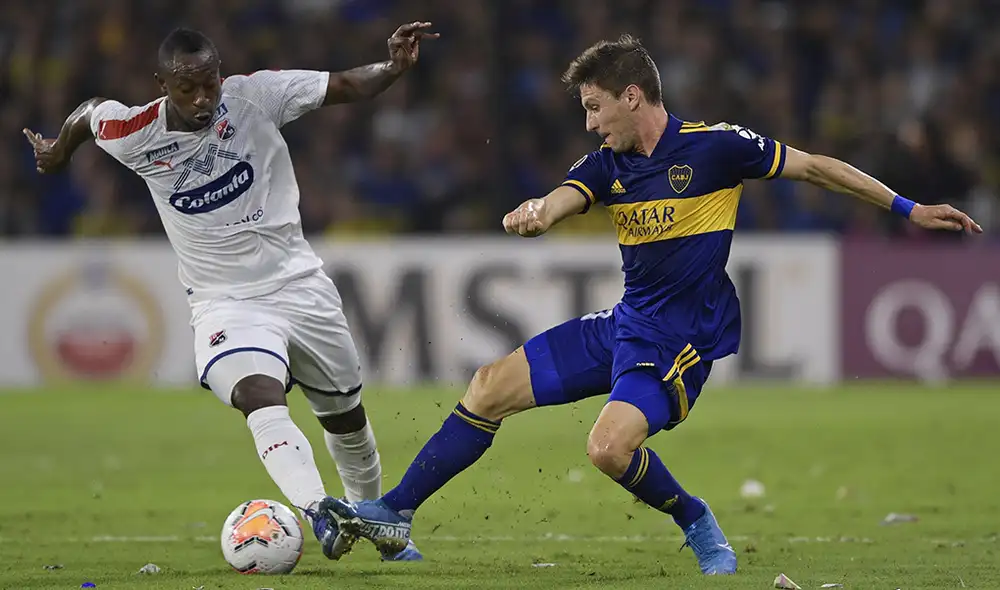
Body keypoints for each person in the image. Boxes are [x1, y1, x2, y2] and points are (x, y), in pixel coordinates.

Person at [326, 34, 982, 575]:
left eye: (594, 107)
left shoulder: (716, 147)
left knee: (608, 449)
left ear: (631, 96)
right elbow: (564, 197)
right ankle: (395, 511)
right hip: (627, 325)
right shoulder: (606, 165)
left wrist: (909, 208)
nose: (589, 122)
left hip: (680, 340)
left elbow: (815, 167)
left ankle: (693, 515)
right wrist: (537, 213)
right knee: (489, 385)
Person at [23, 23, 439, 562]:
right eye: (186, 88)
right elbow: (91, 112)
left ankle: (376, 526)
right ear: (161, 85)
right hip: (225, 302)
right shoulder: (137, 131)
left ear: (220, 75)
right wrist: (59, 150)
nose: (202, 99)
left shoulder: (254, 97)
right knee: (256, 393)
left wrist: (393, 68)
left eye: (209, 84)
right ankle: (319, 509)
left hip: (300, 285)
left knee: (346, 421)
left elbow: (343, 86)